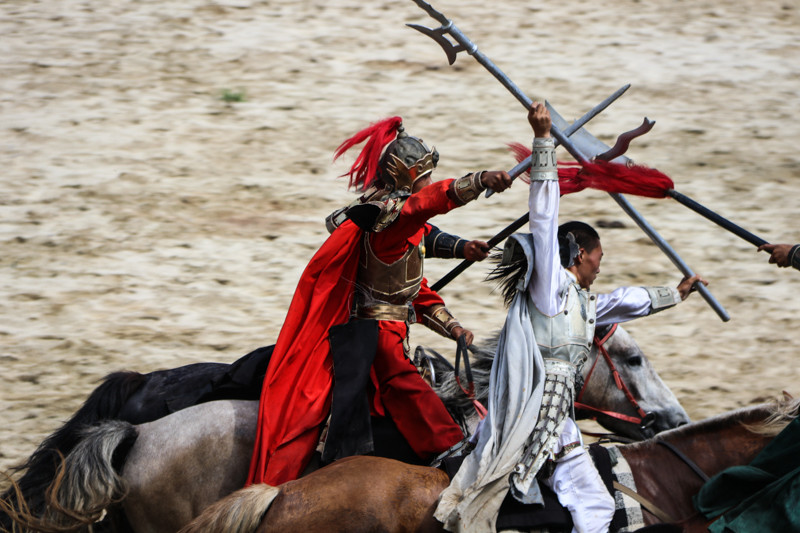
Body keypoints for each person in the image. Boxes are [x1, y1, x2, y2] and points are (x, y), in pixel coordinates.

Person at [434, 103, 707, 533]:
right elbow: (544, 219)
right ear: (580, 254)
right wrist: (543, 140)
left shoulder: (582, 303)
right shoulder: (550, 288)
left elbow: (623, 300)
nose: (600, 265)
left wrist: (674, 293)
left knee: (596, 509)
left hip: (561, 423)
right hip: (524, 411)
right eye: (598, 257)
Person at [246, 116, 512, 486]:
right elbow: (423, 208)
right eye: (425, 176)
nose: (430, 183)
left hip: (392, 328)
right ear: (408, 176)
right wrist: (477, 181)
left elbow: (413, 285)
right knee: (414, 396)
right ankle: (453, 458)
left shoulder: (393, 222)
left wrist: (454, 322)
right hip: (378, 338)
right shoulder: (388, 221)